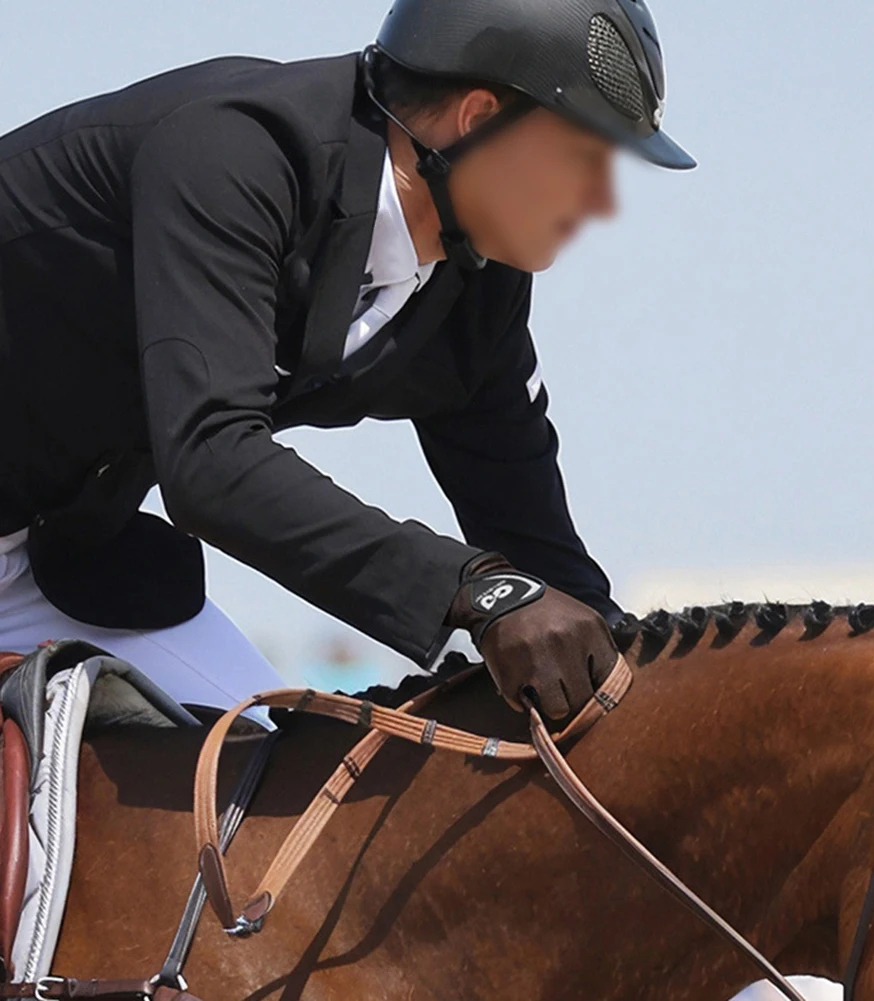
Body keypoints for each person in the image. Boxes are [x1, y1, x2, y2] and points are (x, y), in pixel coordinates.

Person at [0, 0, 695, 721]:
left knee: (262, 780)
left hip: (54, 565)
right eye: (584, 158)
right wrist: (472, 588)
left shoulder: (476, 283)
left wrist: (648, 693)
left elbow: (533, 541)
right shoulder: (235, 153)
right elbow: (211, 462)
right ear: (479, 115)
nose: (601, 201)